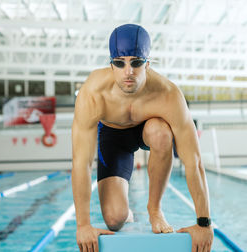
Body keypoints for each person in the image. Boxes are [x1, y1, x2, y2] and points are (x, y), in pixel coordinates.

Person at [71, 24, 214, 252]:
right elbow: (81, 162)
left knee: (161, 132)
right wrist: (83, 225)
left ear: (148, 63)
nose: (128, 71)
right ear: (111, 65)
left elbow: (193, 160)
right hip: (112, 136)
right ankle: (127, 212)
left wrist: (204, 223)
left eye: (136, 62)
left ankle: (155, 210)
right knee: (114, 219)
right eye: (120, 63)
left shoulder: (168, 95)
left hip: (149, 129)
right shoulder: (94, 93)